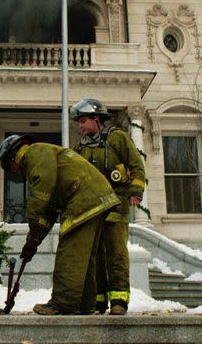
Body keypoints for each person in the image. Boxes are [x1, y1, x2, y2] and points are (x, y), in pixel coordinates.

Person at [0, 134, 120, 315]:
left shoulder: (35, 152)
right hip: (96, 197)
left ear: (13, 157)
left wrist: (32, 220)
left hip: (85, 197)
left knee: (70, 250)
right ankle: (85, 305)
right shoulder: (44, 159)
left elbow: (41, 194)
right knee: (83, 255)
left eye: (9, 166)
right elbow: (49, 212)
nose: (13, 171)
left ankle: (63, 304)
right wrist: (34, 239)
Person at [71, 98, 146, 315]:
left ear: (96, 119)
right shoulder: (80, 147)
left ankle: (119, 301)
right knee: (94, 257)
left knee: (116, 254)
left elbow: (136, 166)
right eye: (78, 122)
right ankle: (99, 301)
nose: (80, 126)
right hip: (92, 210)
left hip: (116, 206)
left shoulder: (118, 139)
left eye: (83, 120)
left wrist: (135, 192)